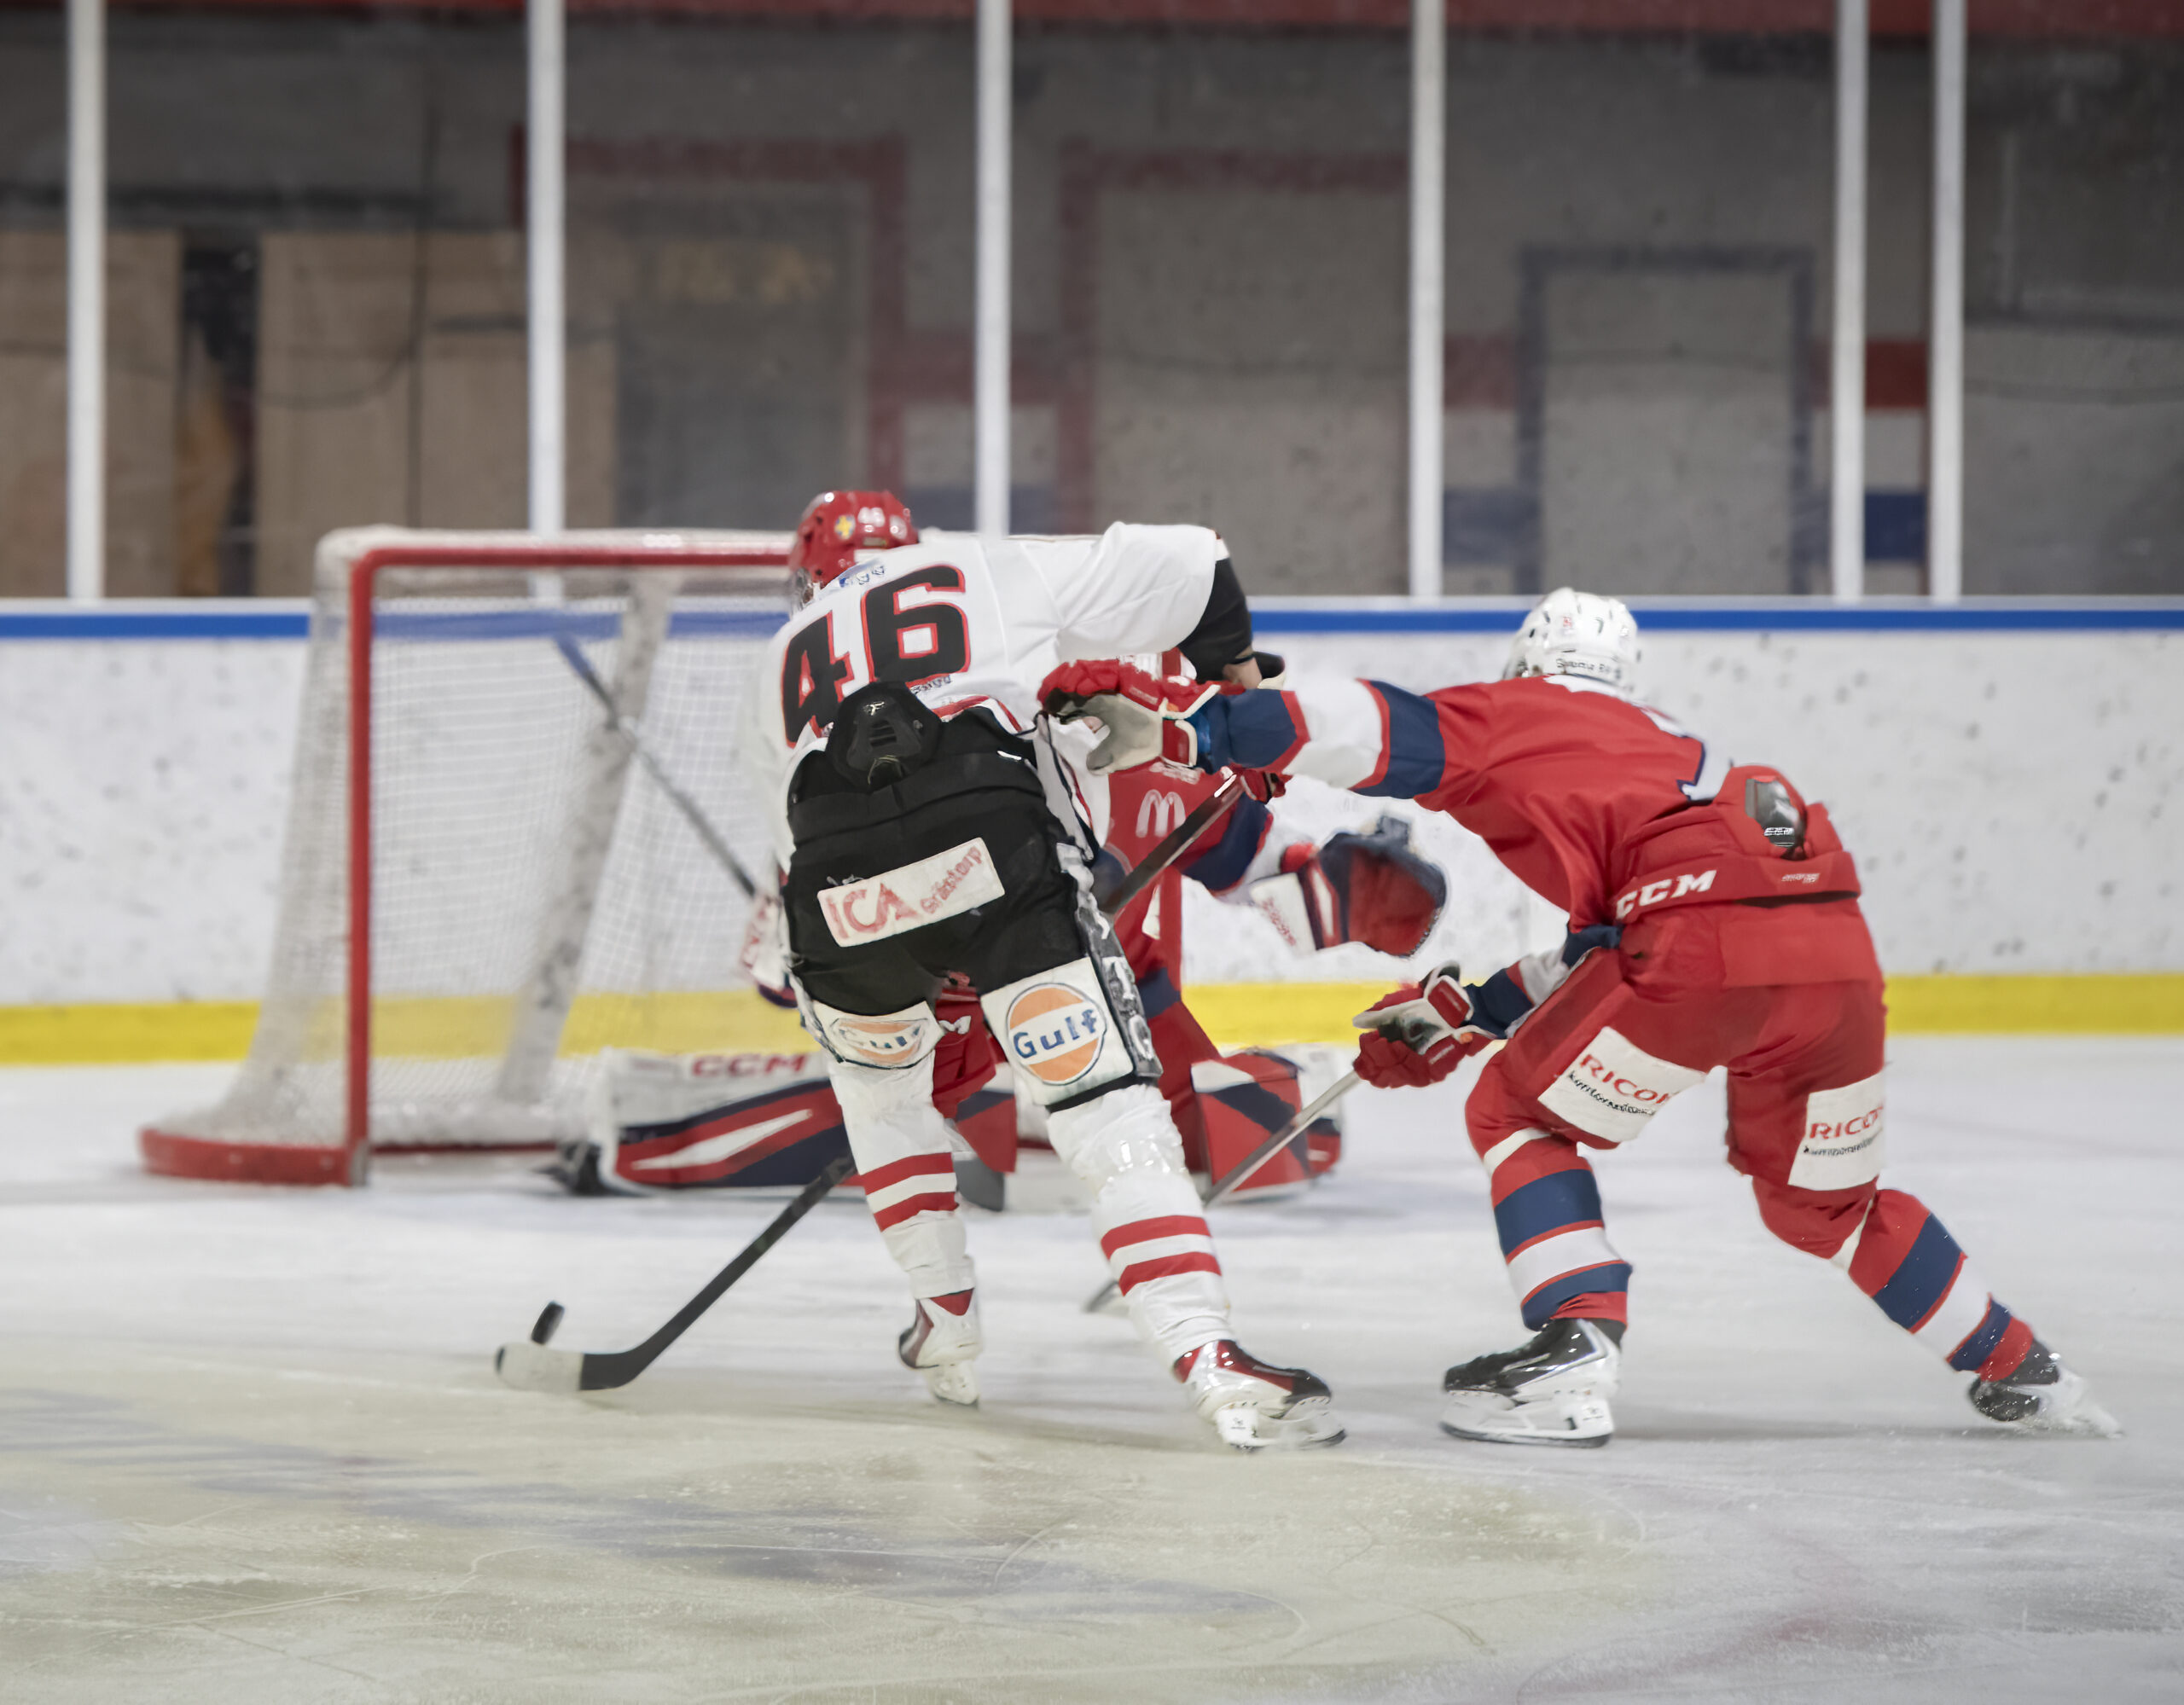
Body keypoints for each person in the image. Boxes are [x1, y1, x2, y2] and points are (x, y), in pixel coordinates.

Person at [1041, 589, 2118, 1447]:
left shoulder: (1521, 716)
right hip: (1835, 960)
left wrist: (1194, 729)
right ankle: (2023, 1368)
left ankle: (1572, 1354)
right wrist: (1468, 1010)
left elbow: (1366, 724)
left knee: (1516, 1113)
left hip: (1699, 947)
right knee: (1824, 1206)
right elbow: (1611, 942)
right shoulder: (1678, 753)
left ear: (1525, 665)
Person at [737, 490, 1342, 1449]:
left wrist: (913, 966)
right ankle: (1204, 1351)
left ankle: (943, 1325)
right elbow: (1200, 561)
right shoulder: (979, 564)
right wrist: (1231, 684)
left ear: (803, 577)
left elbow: (788, 887)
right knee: (1104, 1106)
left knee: (886, 1106)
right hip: (997, 847)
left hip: (836, 898)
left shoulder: (775, 660)